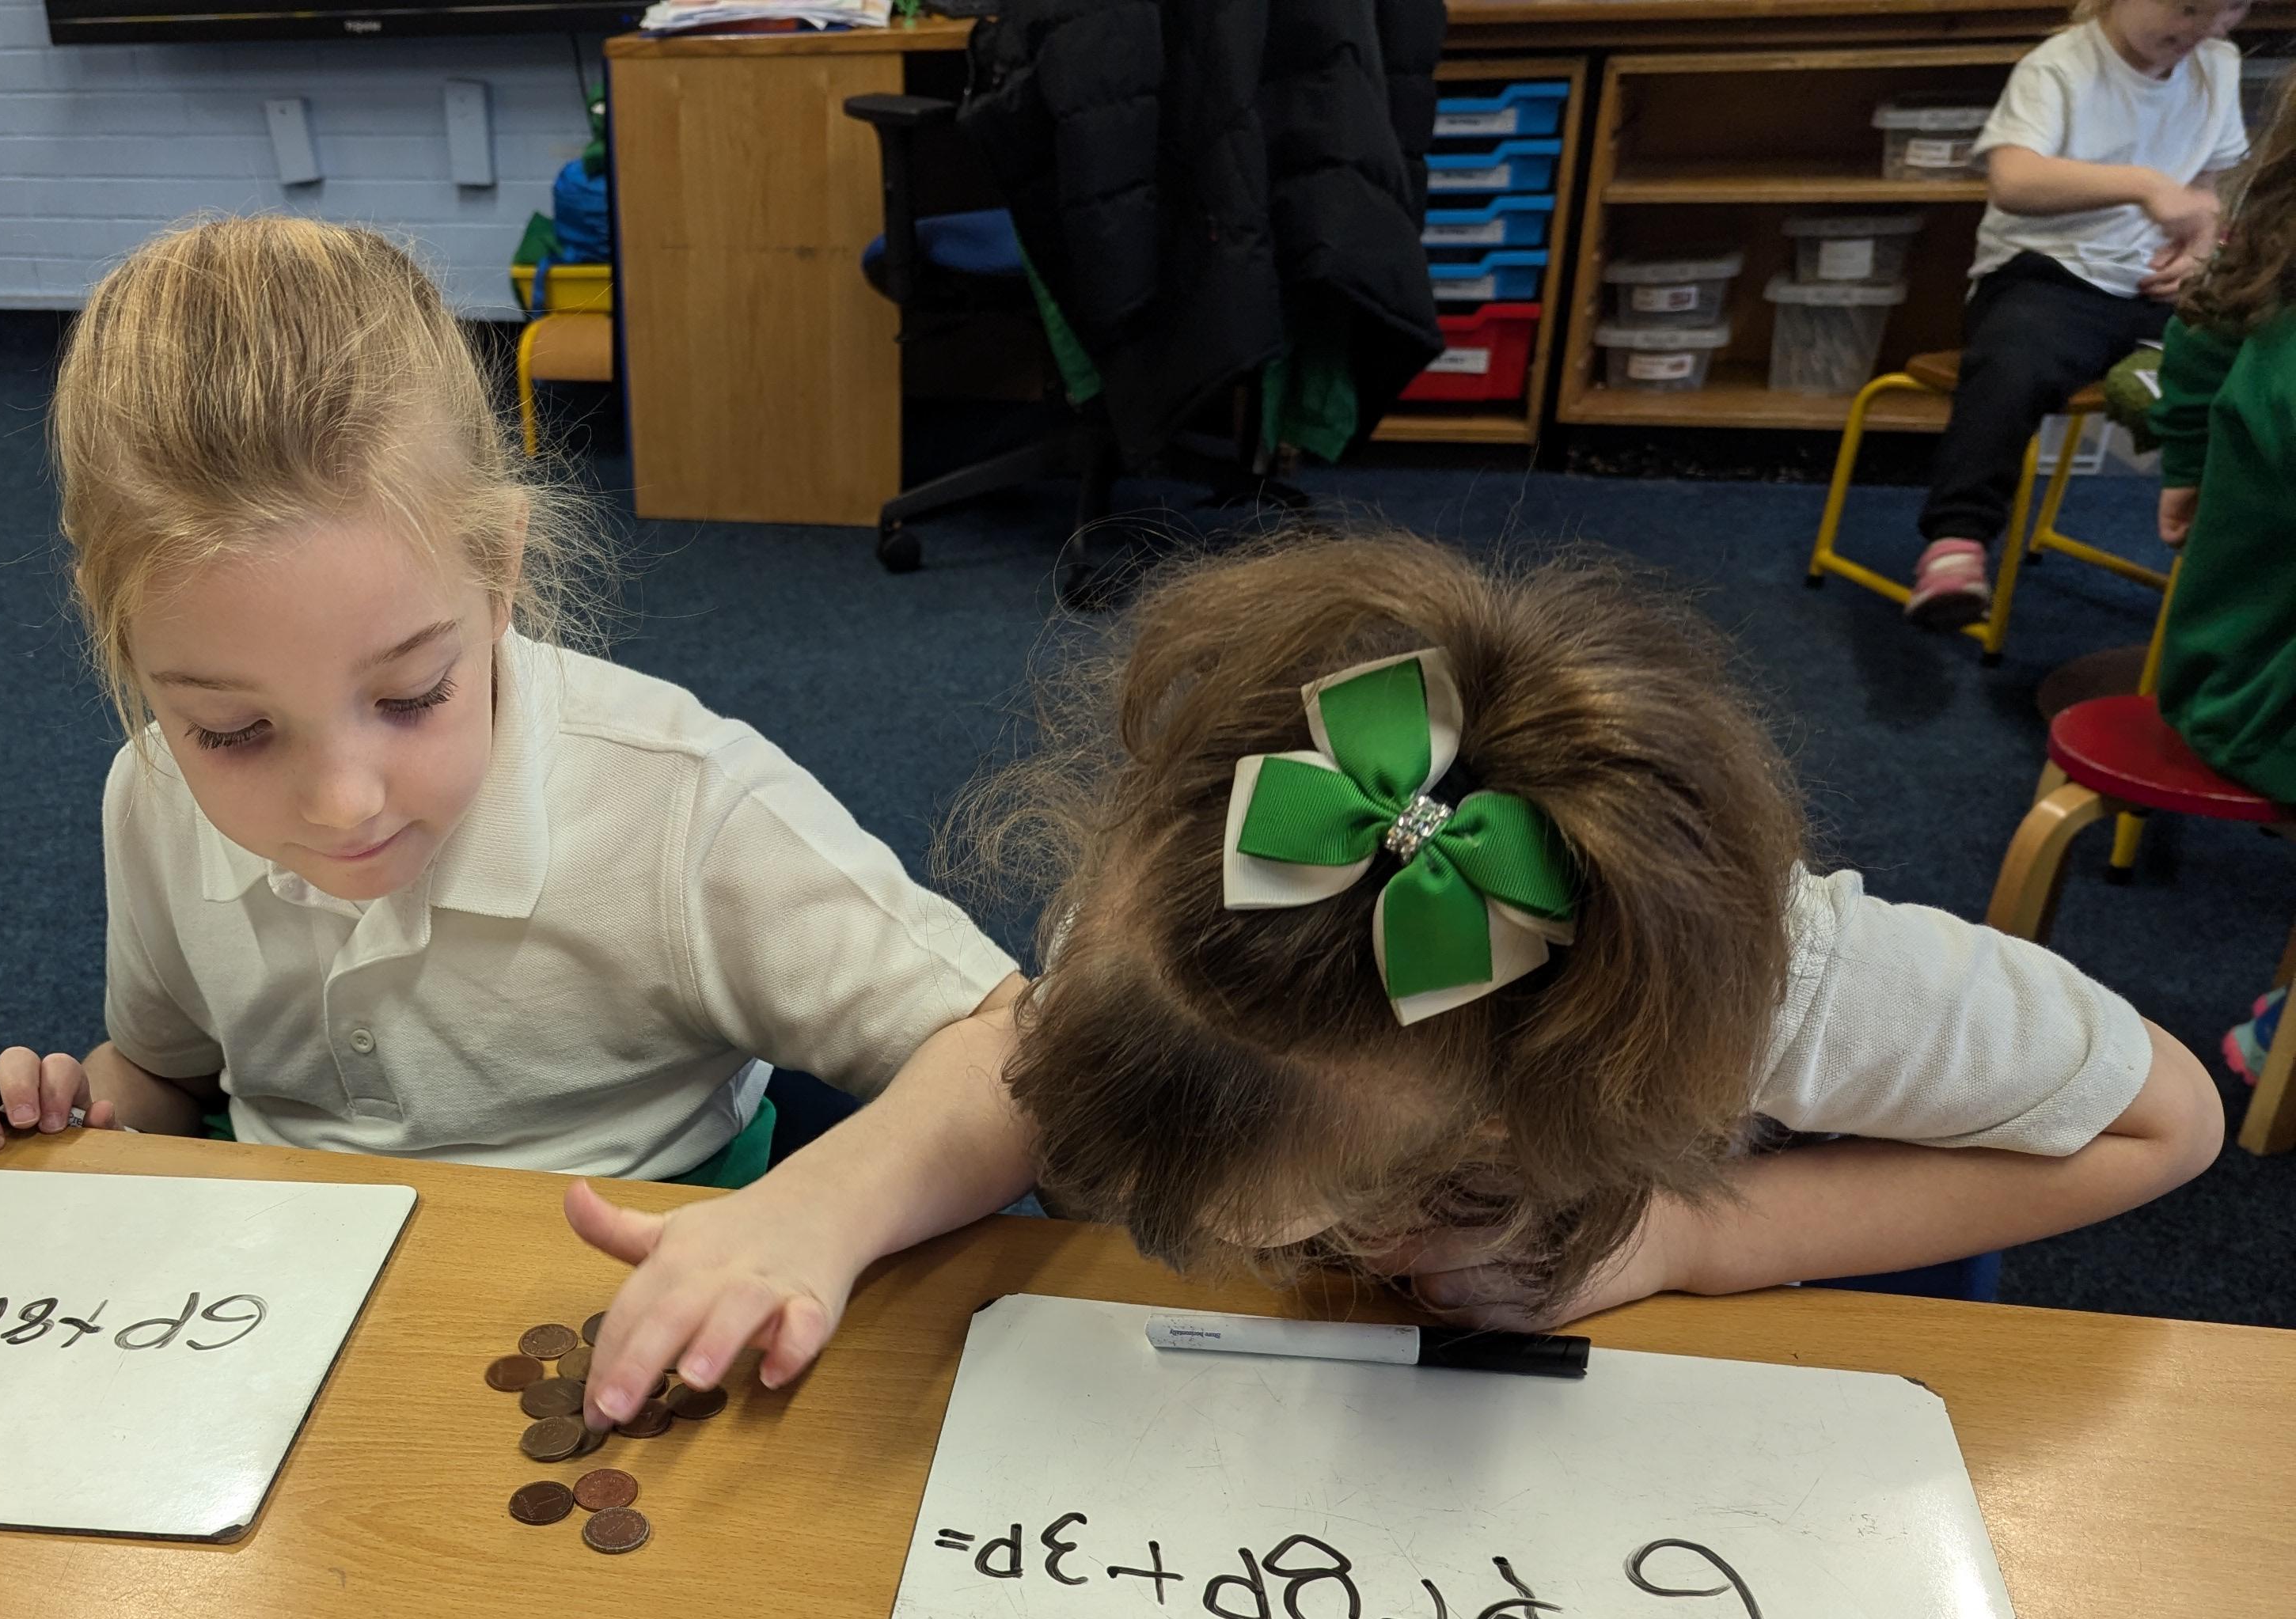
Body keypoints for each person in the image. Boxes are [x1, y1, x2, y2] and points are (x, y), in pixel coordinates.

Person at [0, 215, 1031, 1424]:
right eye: (232, 732)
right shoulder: (150, 797)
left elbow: (1025, 1056)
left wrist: (820, 1209)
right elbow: (165, 1069)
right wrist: (84, 1114)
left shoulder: (679, 805)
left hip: (633, 1341)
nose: (343, 802)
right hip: (277, 1329)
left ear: (500, 572)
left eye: (411, 695)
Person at [958, 529, 2221, 1325]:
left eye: (1321, 1200)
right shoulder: (1185, 910)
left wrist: (1690, 1242)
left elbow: (2170, 1121)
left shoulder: (1807, 995)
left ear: (1501, 1126)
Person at [1907, 0, 2248, 628]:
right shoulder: (2059, 67)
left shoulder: (2217, 64)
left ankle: (2239, 553)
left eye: (2229, 10)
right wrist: (2145, 184)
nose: (2204, 27)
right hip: (2049, 280)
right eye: (2187, 6)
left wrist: (2199, 249)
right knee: (2013, 363)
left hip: (2153, 288)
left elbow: (2206, 189)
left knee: (2250, 358)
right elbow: (2014, 180)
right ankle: (1958, 540)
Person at [2148, 69, 2296, 1085]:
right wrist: (2194, 460)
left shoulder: (2266, 248)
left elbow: (2201, 330)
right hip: (2260, 696)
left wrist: (2191, 464)